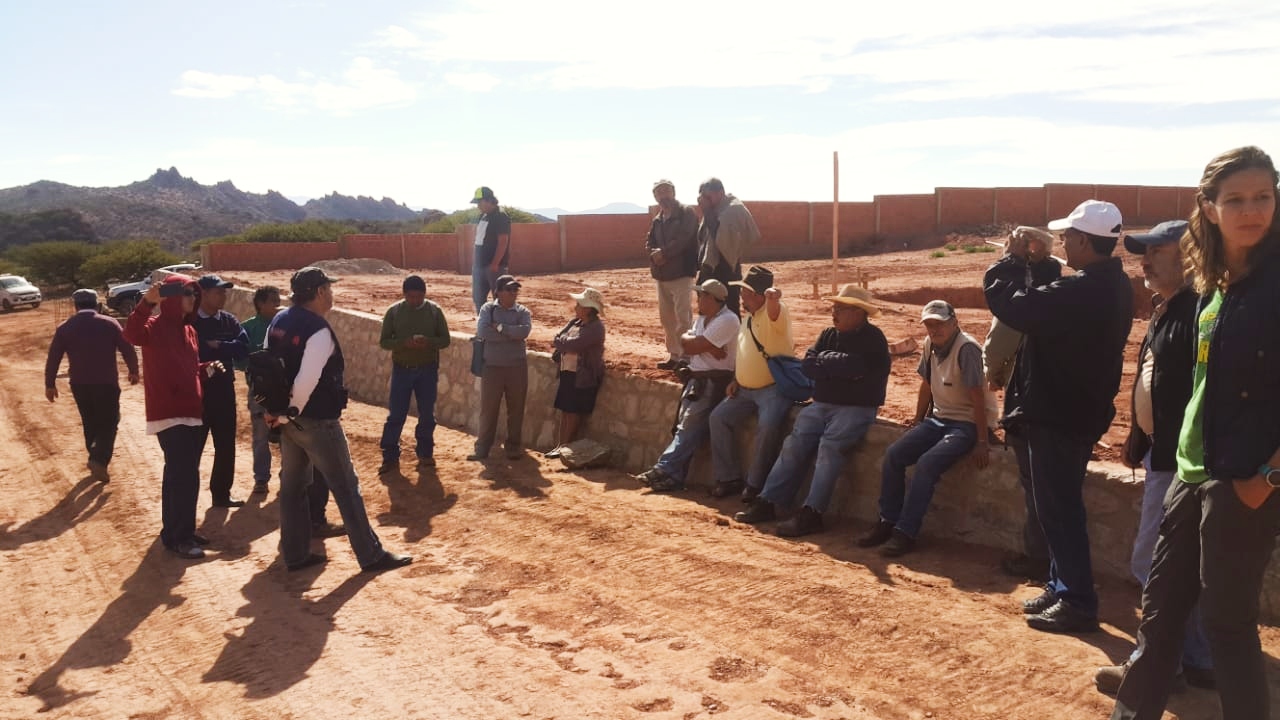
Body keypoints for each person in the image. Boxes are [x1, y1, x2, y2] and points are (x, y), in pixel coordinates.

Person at [1112, 146, 1280, 720]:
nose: (1251, 210)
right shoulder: (1213, 284)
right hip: (1190, 469)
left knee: (1227, 628)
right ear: (1208, 209)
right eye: (1235, 199)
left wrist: (1268, 476)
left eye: (1263, 196)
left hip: (1245, 480)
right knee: (1159, 619)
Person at [984, 199, 1133, 634]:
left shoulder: (1086, 289)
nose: (1064, 242)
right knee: (1053, 508)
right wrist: (1043, 263)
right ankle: (1061, 584)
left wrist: (1010, 261)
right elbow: (1051, 304)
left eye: (1068, 236)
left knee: (1061, 510)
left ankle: (1078, 601)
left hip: (1060, 413)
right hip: (1064, 409)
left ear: (1085, 241)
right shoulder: (1105, 284)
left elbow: (1015, 306)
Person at [1095, 220, 1213, 695]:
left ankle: (1158, 666)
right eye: (1144, 252)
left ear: (1189, 256)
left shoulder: (1197, 312)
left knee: (1153, 563)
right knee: (1182, 565)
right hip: (1161, 454)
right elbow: (1153, 379)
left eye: (1158, 252)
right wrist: (1136, 436)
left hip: (1180, 463)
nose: (1145, 260)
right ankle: (1197, 659)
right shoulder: (1170, 309)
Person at [263, 267, 411, 573]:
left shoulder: (279, 320)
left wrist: (276, 412)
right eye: (328, 288)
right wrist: (291, 410)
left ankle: (295, 554)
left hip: (288, 420)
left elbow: (264, 365)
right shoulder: (317, 329)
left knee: (292, 487)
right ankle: (370, 555)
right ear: (319, 293)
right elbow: (307, 379)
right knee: (345, 485)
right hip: (315, 420)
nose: (331, 293)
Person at [734, 285, 889, 536]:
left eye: (840, 308)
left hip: (856, 408)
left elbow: (855, 366)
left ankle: (812, 513)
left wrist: (827, 363)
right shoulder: (828, 334)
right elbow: (808, 365)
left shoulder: (873, 339)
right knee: (793, 444)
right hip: (821, 404)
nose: (833, 312)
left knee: (829, 448)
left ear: (859, 312)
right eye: (834, 307)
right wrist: (836, 365)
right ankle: (769, 501)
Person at [859, 300, 992, 556]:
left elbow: (978, 398)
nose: (934, 329)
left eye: (939, 324)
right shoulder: (930, 345)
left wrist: (983, 441)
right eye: (929, 324)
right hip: (938, 420)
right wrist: (918, 419)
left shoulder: (968, 350)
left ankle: (906, 532)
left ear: (954, 323)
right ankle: (887, 521)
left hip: (965, 424)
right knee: (894, 456)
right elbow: (927, 385)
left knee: (927, 464)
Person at [123, 276, 223, 559]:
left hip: (191, 411)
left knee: (184, 476)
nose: (193, 298)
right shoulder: (153, 326)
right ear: (172, 297)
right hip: (168, 413)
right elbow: (130, 334)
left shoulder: (189, 330)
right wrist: (147, 303)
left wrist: (206, 368)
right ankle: (179, 537)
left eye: (195, 293)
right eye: (187, 293)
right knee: (182, 476)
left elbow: (188, 368)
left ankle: (181, 532)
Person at [990, 227, 1059, 584]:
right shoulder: (1063, 282)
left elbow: (999, 341)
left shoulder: (1022, 292)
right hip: (1058, 400)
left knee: (1036, 489)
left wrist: (995, 373)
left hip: (1028, 398)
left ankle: (1040, 559)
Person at [636, 279, 739, 493]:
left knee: (688, 426)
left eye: (701, 296)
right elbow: (686, 341)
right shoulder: (703, 319)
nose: (698, 299)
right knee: (687, 427)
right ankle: (675, 477)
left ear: (712, 298)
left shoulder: (728, 320)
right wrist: (705, 345)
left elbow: (693, 345)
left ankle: (664, 468)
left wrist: (699, 343)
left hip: (713, 382)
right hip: (696, 380)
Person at [708, 265, 795, 500]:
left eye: (745, 292)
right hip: (744, 390)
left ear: (757, 295)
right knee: (718, 418)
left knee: (767, 428)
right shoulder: (747, 318)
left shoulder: (774, 312)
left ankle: (755, 485)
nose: (742, 297)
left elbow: (775, 311)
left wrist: (773, 299)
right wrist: (736, 379)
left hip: (773, 390)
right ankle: (728, 478)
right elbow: (745, 353)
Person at [44, 288, 139, 483]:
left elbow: (53, 357)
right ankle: (98, 459)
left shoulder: (65, 327)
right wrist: (133, 370)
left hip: (79, 384)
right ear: (97, 304)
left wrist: (50, 383)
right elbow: (127, 348)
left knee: (90, 421)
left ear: (75, 306)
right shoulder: (110, 324)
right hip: (106, 383)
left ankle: (94, 456)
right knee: (110, 421)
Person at [377, 275, 451, 475]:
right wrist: (403, 343)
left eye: (419, 297)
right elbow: (384, 342)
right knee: (396, 415)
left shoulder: (435, 312)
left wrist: (429, 342)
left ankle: (425, 454)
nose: (415, 300)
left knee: (427, 414)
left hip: (427, 370)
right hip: (402, 369)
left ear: (425, 294)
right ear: (404, 295)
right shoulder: (394, 312)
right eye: (411, 297)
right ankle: (390, 456)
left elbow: (445, 340)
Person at [193, 274, 249, 508]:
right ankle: (188, 498)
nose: (223, 296)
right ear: (203, 294)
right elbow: (195, 353)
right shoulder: (190, 322)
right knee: (192, 450)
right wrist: (219, 350)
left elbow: (243, 347)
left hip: (224, 392)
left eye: (224, 292)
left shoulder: (229, 320)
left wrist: (220, 346)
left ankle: (221, 494)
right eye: (218, 292)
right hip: (196, 395)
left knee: (225, 446)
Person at [470, 274, 531, 461]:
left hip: (516, 367)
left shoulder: (523, 311)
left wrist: (501, 328)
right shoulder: (487, 309)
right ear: (497, 292)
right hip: (493, 367)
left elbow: (524, 331)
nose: (514, 293)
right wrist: (511, 334)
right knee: (488, 409)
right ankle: (482, 448)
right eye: (509, 289)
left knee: (516, 409)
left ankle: (513, 447)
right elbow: (483, 331)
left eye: (515, 290)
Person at [547, 288, 606, 458]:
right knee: (566, 410)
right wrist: (563, 342)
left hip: (582, 376)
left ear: (588, 308)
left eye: (579, 304)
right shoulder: (577, 323)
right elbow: (558, 339)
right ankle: (560, 445)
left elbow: (570, 343)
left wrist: (562, 342)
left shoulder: (596, 328)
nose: (576, 307)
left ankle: (564, 447)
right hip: (569, 372)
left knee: (572, 411)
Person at [646, 179, 699, 369]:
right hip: (661, 275)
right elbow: (649, 241)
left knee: (683, 317)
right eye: (659, 193)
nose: (663, 196)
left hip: (682, 273)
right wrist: (653, 254)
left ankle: (687, 356)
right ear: (655, 196)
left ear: (673, 192)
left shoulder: (686, 213)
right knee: (667, 318)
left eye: (666, 191)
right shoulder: (658, 219)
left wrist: (664, 253)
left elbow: (685, 239)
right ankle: (674, 355)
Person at [239, 285, 282, 495]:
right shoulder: (247, 329)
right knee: (260, 436)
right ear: (260, 304)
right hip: (259, 392)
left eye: (278, 298)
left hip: (285, 391)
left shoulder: (285, 325)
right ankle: (261, 479)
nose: (278, 303)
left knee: (287, 435)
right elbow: (238, 360)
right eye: (273, 299)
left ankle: (289, 478)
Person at [696, 178, 760, 315]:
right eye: (703, 197)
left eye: (708, 196)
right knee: (706, 308)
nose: (705, 200)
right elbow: (702, 237)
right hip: (709, 269)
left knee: (729, 310)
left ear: (720, 193)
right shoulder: (714, 210)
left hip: (727, 269)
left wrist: (707, 211)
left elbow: (722, 239)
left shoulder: (733, 209)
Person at [470, 186, 512, 313]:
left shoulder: (500, 216)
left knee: (499, 299)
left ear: (489, 200)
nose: (478, 206)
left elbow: (503, 241)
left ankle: (501, 328)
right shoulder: (483, 216)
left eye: (479, 202)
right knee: (478, 298)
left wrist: (495, 263)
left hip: (494, 267)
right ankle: (483, 328)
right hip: (479, 266)